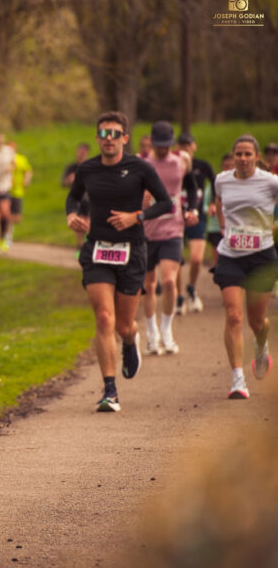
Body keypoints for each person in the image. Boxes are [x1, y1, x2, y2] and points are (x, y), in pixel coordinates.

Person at [66, 111, 173, 412]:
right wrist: (72, 216)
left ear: (125, 138)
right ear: (98, 137)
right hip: (98, 250)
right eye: (103, 133)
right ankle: (110, 391)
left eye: (115, 134)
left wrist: (135, 217)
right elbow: (73, 198)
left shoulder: (139, 168)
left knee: (124, 325)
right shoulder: (87, 169)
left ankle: (130, 339)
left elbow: (166, 202)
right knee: (103, 318)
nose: (108, 139)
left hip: (132, 251)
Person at [212, 134, 278, 399]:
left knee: (256, 320)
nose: (242, 159)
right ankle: (238, 379)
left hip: (261, 257)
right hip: (230, 255)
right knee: (234, 316)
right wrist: (223, 228)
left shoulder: (270, 182)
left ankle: (261, 344)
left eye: (247, 154)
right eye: (238, 154)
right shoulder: (222, 180)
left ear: (257, 157)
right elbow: (219, 202)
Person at [140, 122, 198, 356]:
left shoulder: (182, 160)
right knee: (149, 284)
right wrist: (138, 201)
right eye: (159, 145)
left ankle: (167, 330)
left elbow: (192, 188)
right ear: (152, 142)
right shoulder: (142, 163)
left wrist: (191, 209)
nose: (163, 149)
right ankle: (151, 333)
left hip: (173, 228)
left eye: (167, 145)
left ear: (172, 142)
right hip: (146, 231)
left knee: (170, 282)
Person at [175, 132, 215, 313]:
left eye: (188, 144)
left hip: (196, 216)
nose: (185, 147)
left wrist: (213, 202)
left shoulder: (202, 166)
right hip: (175, 217)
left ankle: (191, 287)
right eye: (182, 144)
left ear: (194, 146)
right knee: (175, 260)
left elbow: (215, 183)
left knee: (197, 259)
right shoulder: (172, 165)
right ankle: (178, 296)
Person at [205, 153, 234, 266]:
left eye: (231, 166)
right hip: (215, 227)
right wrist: (209, 209)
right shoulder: (217, 183)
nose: (228, 169)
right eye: (226, 166)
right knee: (218, 262)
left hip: (234, 228)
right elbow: (205, 204)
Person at [62, 142, 91, 250]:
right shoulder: (71, 168)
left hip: (89, 199)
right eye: (80, 151)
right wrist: (69, 180)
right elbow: (63, 183)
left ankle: (87, 246)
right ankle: (79, 247)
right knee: (78, 225)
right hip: (77, 200)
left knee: (88, 224)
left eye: (84, 151)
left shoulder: (90, 167)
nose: (81, 153)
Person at [5, 142, 33, 247]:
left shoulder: (21, 159)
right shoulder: (5, 160)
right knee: (7, 214)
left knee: (17, 217)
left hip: (18, 191)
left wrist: (27, 180)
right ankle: (7, 236)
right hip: (7, 191)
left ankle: (6, 231)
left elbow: (28, 171)